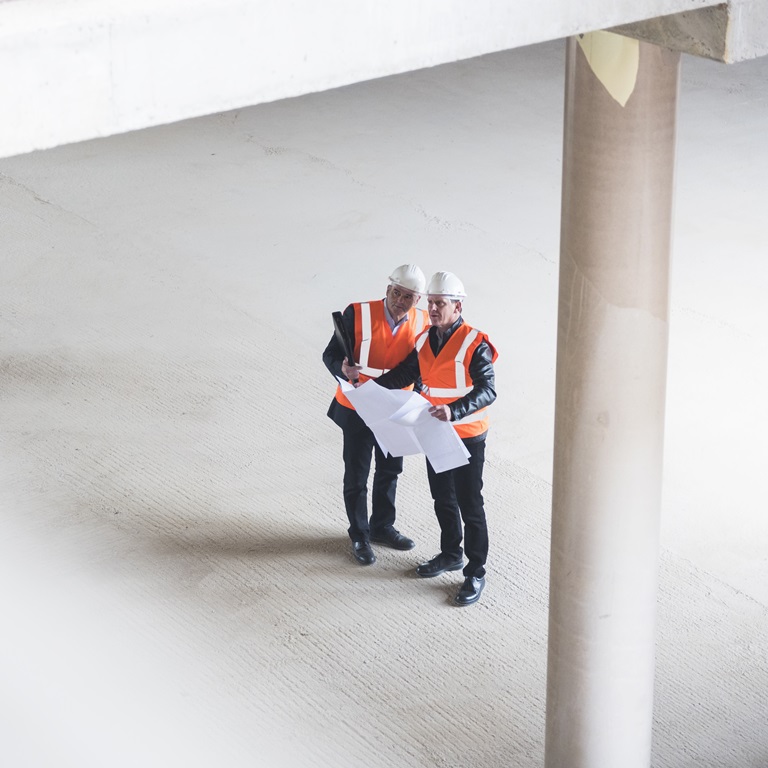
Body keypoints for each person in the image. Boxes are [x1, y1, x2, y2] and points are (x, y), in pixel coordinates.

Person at [374, 271, 497, 606]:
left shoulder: (475, 343)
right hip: (434, 430)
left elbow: (488, 390)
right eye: (431, 303)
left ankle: (475, 572)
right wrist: (369, 389)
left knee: (470, 505)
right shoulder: (425, 338)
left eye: (440, 303)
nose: (433, 309)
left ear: (457, 307)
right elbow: (405, 373)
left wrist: (454, 411)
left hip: (467, 434)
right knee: (443, 498)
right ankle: (450, 554)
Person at [323, 265, 429, 566]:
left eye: (409, 296)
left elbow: (419, 367)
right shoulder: (357, 313)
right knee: (357, 474)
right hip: (357, 408)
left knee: (390, 470)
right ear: (387, 290)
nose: (400, 300)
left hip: (395, 410)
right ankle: (359, 533)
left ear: (417, 300)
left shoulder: (423, 323)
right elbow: (329, 355)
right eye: (396, 293)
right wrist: (342, 370)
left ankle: (383, 526)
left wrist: (416, 400)